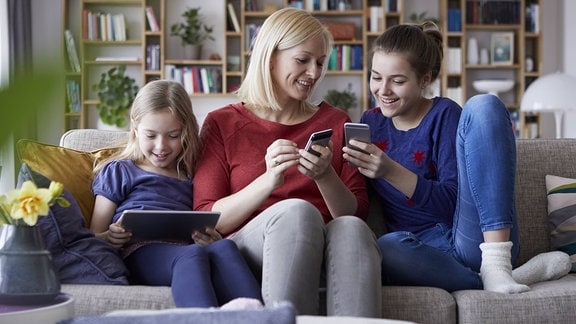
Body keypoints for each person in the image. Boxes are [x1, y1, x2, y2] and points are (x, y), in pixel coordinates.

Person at [342, 22, 571, 293]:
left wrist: (390, 171)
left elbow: (451, 204)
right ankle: (513, 276)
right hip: (422, 252)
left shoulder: (445, 115)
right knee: (386, 247)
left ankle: (497, 266)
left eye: (398, 81)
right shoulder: (371, 122)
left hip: (473, 239)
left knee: (484, 105)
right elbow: (358, 204)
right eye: (376, 77)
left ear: (425, 79)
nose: (383, 90)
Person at [193, 7, 381, 316]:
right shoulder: (221, 123)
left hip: (325, 245)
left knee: (352, 229)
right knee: (296, 212)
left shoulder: (336, 121)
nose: (314, 73)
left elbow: (355, 212)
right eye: (303, 60)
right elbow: (206, 216)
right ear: (271, 56)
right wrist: (268, 180)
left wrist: (324, 176)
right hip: (254, 246)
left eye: (320, 63)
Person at [90, 80, 263, 308]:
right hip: (139, 253)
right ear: (135, 128)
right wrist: (109, 238)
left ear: (186, 130)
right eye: (151, 135)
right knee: (191, 256)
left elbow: (203, 218)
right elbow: (92, 235)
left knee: (224, 248)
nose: (161, 147)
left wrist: (210, 238)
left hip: (185, 249)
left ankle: (260, 316)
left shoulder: (192, 174)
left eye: (173, 135)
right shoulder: (120, 171)